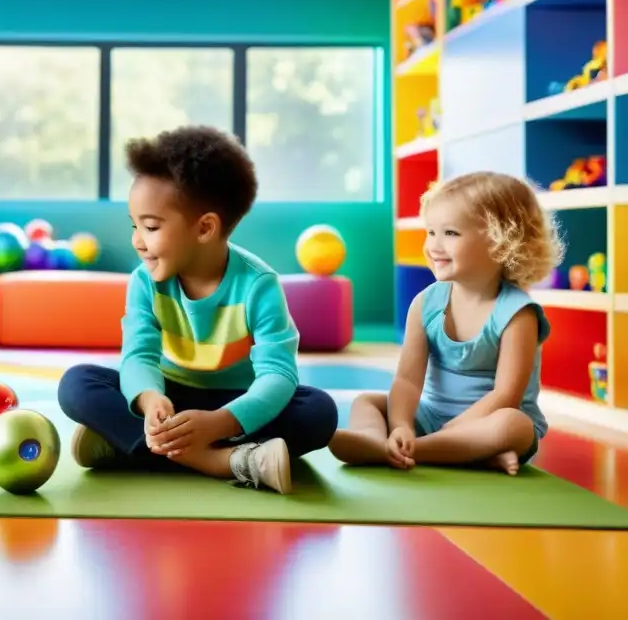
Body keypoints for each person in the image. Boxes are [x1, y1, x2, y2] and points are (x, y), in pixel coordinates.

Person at [57, 126, 338, 495]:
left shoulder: (258, 285)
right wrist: (148, 399)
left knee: (319, 411)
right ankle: (227, 462)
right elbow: (138, 355)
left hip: (237, 405)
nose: (137, 241)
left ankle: (125, 447)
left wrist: (219, 423)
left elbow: (278, 375)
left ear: (205, 228)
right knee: (77, 383)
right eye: (134, 225)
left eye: (151, 226)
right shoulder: (145, 282)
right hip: (169, 402)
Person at [329, 171, 564, 475]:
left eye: (450, 233)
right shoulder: (426, 303)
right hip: (430, 415)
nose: (433, 246)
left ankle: (412, 451)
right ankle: (378, 440)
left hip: (486, 422)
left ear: (501, 241)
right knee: (367, 402)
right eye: (430, 232)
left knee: (513, 426)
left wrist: (449, 431)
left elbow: (506, 395)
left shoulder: (518, 314)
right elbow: (407, 381)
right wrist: (401, 425)